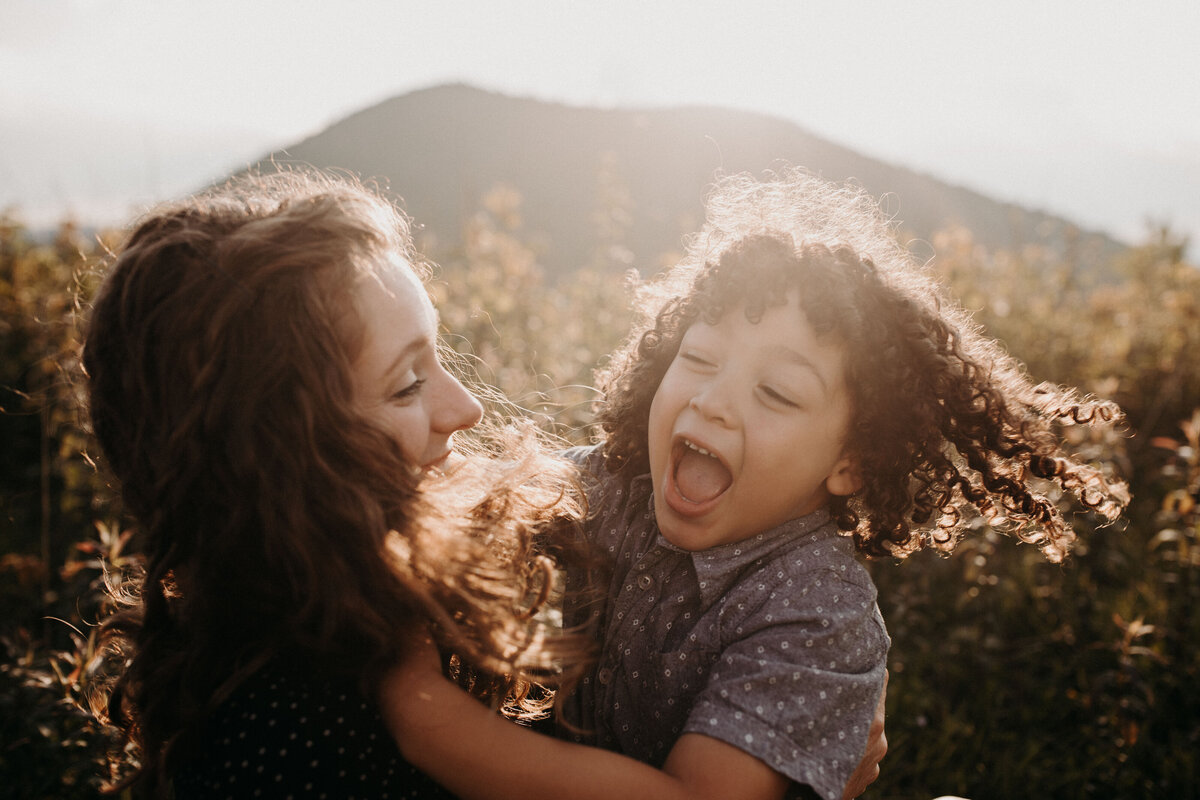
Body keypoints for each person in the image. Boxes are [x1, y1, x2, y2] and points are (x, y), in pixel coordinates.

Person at [384, 169, 1127, 800]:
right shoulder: (608, 487)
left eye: (776, 393)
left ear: (852, 463)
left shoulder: (819, 611)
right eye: (700, 359)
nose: (712, 400)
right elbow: (460, 503)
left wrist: (428, 722)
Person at [83, 170, 596, 798]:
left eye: (440, 355)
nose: (466, 409)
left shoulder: (370, 617)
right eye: (407, 383)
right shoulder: (295, 743)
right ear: (280, 461)